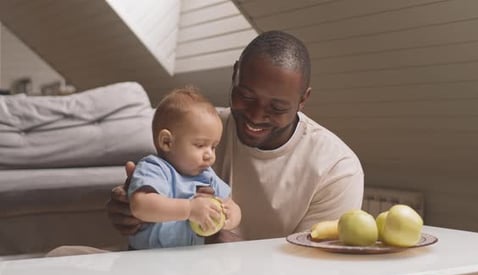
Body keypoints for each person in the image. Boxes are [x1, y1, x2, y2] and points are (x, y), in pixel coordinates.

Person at [107, 30, 364, 243]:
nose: (255, 116)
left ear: (303, 100)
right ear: (235, 75)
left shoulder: (337, 169)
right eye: (246, 97)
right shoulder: (201, 130)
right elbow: (153, 193)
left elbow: (310, 268)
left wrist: (226, 235)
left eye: (277, 108)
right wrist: (131, 207)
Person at [126, 86, 241, 249]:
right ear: (167, 142)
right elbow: (141, 206)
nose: (209, 154)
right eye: (200, 145)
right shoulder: (154, 168)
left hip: (188, 260)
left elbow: (230, 202)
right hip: (148, 259)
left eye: (213, 147)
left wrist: (231, 215)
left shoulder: (206, 175)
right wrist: (189, 209)